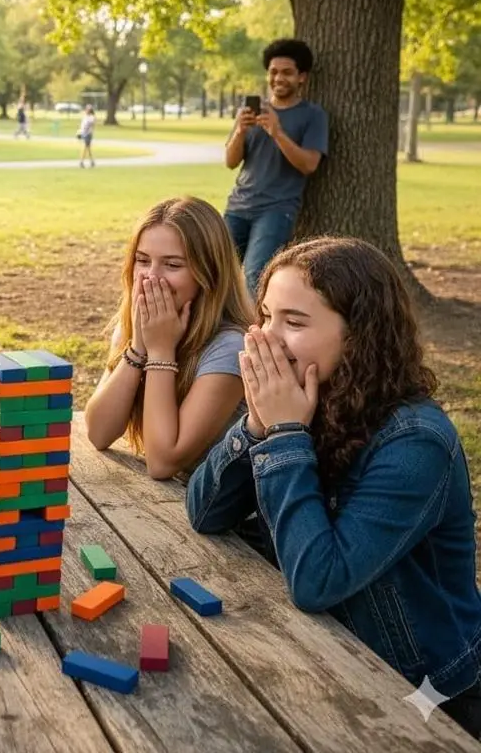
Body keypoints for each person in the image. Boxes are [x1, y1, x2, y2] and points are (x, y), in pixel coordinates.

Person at [186, 237, 481, 740]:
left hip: (423, 695)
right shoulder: (308, 399)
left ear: (358, 337)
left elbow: (318, 580)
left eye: (295, 322)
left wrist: (282, 437)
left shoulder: (416, 443)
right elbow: (205, 511)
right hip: (321, 655)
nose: (268, 339)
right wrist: (257, 429)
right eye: (266, 316)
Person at [84, 197, 252, 479]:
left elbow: (163, 462)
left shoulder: (231, 346)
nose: (151, 277)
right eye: (142, 260)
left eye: (172, 265)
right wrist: (138, 346)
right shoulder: (135, 326)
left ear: (208, 274)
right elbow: (99, 433)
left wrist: (161, 350)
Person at [223, 38, 329, 294]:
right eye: (273, 72)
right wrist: (239, 131)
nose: (278, 78)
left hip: (276, 211)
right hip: (237, 206)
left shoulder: (313, 115)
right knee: (217, 272)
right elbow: (230, 161)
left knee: (254, 278)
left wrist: (277, 132)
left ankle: (251, 332)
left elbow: (309, 165)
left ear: (301, 77)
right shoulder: (252, 112)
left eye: (286, 72)